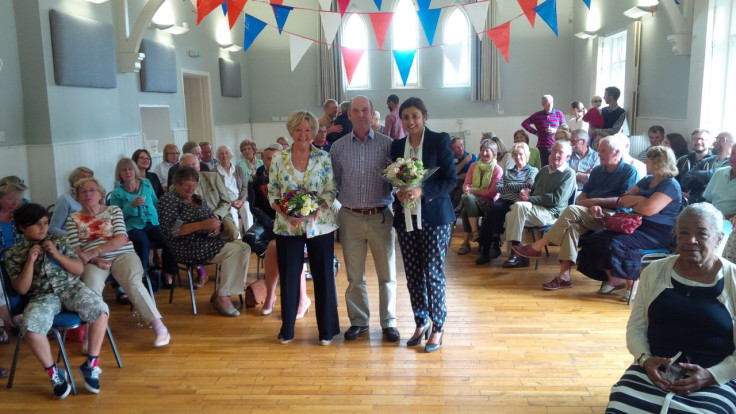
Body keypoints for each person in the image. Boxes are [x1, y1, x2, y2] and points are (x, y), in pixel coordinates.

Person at [606, 203, 736, 413]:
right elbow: (636, 327)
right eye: (683, 233)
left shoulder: (733, 279)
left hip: (716, 377)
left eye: (701, 234)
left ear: (718, 239)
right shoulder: (654, 272)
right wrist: (645, 360)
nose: (690, 241)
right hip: (654, 372)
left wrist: (712, 375)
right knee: (620, 406)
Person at [5, 203, 110, 398]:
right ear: (22, 227)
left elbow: (78, 270)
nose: (43, 228)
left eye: (45, 223)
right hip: (42, 296)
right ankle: (54, 373)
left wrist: (56, 255)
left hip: (72, 289)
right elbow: (21, 288)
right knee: (30, 328)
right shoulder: (14, 253)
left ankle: (90, 365)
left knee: (100, 310)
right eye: (37, 224)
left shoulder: (59, 241)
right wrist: (30, 260)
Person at [511, 136, 638, 290]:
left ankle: (538, 246)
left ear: (617, 152)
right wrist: (590, 205)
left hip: (613, 216)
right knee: (572, 228)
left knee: (571, 210)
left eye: (603, 151)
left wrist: (594, 202)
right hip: (590, 212)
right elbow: (583, 195)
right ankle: (564, 277)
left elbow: (623, 201)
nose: (599, 154)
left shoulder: (629, 172)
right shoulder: (598, 170)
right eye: (599, 151)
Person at [66, 178, 170, 347]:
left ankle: (159, 327)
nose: (88, 194)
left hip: (122, 254)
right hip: (93, 261)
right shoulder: (73, 219)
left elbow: (122, 238)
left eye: (92, 190)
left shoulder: (113, 210)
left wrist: (94, 251)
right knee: (91, 284)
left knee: (132, 282)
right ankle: (91, 334)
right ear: (77, 196)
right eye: (83, 191)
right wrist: (94, 258)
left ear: (100, 194)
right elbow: (75, 249)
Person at [330, 95, 399, 343]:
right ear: (349, 115)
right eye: (356, 111)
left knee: (387, 273)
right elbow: (334, 184)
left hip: (381, 216)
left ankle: (389, 321)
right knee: (355, 275)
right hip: (350, 217)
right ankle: (359, 321)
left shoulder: (388, 145)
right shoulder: (337, 148)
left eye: (365, 110)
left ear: (372, 114)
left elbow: (397, 180)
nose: (360, 115)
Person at [390, 97, 456, 353]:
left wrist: (422, 191)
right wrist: (397, 191)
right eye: (405, 117)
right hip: (405, 219)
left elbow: (450, 179)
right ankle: (420, 321)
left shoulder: (439, 140)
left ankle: (438, 327)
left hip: (435, 217)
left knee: (433, 272)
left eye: (415, 116)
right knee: (413, 274)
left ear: (425, 117)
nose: (410, 121)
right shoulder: (396, 146)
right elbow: (392, 179)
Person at [267, 110, 339, 345]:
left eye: (308, 129)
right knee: (288, 277)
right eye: (299, 129)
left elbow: (331, 189)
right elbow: (273, 192)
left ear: (314, 132)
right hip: (288, 227)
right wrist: (285, 212)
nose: (304, 134)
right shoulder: (279, 158)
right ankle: (287, 329)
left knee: (324, 277)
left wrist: (317, 207)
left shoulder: (323, 157)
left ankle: (327, 330)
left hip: (320, 226)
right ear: (291, 131)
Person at [576, 146, 681, 300]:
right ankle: (614, 279)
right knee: (594, 238)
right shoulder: (647, 180)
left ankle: (633, 285)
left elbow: (648, 210)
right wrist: (640, 200)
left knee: (618, 243)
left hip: (657, 231)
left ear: (658, 163)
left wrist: (638, 202)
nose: (645, 162)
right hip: (636, 223)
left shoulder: (670, 185)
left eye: (649, 159)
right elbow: (623, 199)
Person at [158, 167, 251, 317]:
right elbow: (173, 231)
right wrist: (204, 225)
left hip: (206, 241)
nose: (190, 188)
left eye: (194, 185)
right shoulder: (169, 200)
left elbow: (212, 219)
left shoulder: (197, 199)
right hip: (187, 246)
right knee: (234, 251)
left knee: (245, 247)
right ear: (177, 184)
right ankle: (223, 297)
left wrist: (217, 227)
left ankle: (224, 292)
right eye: (186, 185)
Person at [250, 145, 312, 319]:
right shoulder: (259, 178)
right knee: (273, 248)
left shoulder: (293, 175)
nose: (272, 161)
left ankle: (302, 298)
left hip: (299, 226)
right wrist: (271, 221)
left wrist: (294, 217)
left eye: (276, 157)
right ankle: (271, 295)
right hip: (274, 225)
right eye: (268, 158)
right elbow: (255, 205)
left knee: (288, 248)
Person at [502, 140, 576, 269]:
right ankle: (519, 255)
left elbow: (556, 199)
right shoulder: (544, 170)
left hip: (552, 213)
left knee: (515, 211)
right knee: (512, 213)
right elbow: (535, 191)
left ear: (568, 157)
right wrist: (526, 193)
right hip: (536, 209)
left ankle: (516, 254)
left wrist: (529, 199)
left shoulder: (569, 174)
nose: (556, 155)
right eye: (554, 151)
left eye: (560, 152)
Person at [109, 158, 176, 292]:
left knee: (170, 238)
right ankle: (141, 277)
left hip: (152, 222)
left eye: (130, 169)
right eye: (124, 170)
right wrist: (131, 206)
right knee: (142, 243)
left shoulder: (146, 184)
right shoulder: (117, 192)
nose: (128, 172)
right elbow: (115, 215)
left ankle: (167, 271)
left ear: (135, 171)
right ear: (119, 174)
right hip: (132, 226)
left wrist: (162, 219)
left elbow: (156, 202)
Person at [476, 142, 538, 264]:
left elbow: (530, 185)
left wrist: (508, 185)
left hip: (520, 202)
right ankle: (486, 250)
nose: (518, 157)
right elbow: (499, 188)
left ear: (527, 155)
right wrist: (518, 186)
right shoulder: (508, 171)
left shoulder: (533, 170)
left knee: (500, 211)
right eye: (515, 154)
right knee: (492, 212)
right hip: (504, 200)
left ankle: (496, 243)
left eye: (521, 154)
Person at [0, 175, 28, 374]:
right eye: (10, 200)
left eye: (18, 200)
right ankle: (11, 320)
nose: (15, 204)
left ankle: (22, 318)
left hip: (19, 259)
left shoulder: (21, 215)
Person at [456, 139, 503, 255]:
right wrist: (467, 189)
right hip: (474, 201)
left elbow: (492, 192)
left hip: (490, 203)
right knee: (468, 201)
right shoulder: (473, 166)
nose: (484, 153)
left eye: (487, 151)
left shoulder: (497, 169)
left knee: (468, 202)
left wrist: (472, 190)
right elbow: (466, 184)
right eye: (482, 151)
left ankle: (467, 241)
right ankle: (475, 232)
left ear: (493, 152)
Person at [681, 131, 734, 204]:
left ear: (723, 140)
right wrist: (704, 182)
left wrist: (696, 175)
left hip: (709, 203)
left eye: (716, 139)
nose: (713, 143)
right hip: (694, 201)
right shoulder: (707, 161)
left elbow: (712, 178)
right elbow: (685, 179)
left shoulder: (731, 164)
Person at [215, 145, 252, 235]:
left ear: (231, 155)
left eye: (226, 153)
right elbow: (216, 191)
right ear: (218, 156)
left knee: (246, 208)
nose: (224, 156)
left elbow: (244, 187)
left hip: (240, 199)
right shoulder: (214, 172)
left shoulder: (238, 169)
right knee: (231, 212)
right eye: (222, 153)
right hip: (226, 202)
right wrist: (230, 202)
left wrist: (241, 200)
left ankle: (250, 235)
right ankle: (237, 237)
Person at [521, 94, 567, 167]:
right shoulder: (537, 115)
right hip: (541, 146)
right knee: (542, 167)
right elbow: (524, 123)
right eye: (547, 103)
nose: (549, 105)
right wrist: (535, 132)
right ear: (543, 104)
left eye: (551, 103)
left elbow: (565, 128)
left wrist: (555, 130)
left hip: (555, 146)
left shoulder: (559, 114)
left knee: (555, 166)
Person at [49, 167, 94, 237]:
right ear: (74, 181)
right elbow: (53, 228)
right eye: (84, 177)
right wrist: (76, 236)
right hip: (72, 241)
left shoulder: (94, 198)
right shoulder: (64, 200)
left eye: (90, 178)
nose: (88, 180)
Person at [450, 137, 477, 213]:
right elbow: (453, 172)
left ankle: (453, 217)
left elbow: (470, 175)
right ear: (453, 149)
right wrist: (464, 161)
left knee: (457, 196)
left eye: (462, 145)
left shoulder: (472, 157)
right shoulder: (451, 158)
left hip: (466, 183)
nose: (461, 148)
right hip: (454, 182)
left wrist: (456, 175)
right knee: (447, 193)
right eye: (457, 147)